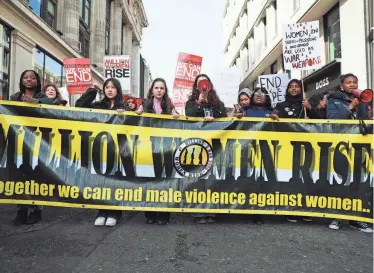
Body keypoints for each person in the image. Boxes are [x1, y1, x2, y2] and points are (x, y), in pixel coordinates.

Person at [75, 78, 125, 227]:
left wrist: (125, 113)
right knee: (100, 180)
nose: (109, 90)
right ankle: (102, 211)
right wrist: (92, 91)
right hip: (99, 149)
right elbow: (79, 106)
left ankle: (115, 212)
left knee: (114, 180)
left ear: (118, 90)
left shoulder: (124, 106)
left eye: (113, 87)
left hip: (117, 150)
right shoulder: (98, 105)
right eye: (106, 87)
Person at [327, 73, 372, 233]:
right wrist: (351, 107)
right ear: (342, 86)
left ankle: (355, 219)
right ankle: (336, 216)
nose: (352, 85)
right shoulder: (334, 100)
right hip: (341, 146)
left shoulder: (363, 99)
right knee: (341, 181)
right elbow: (332, 119)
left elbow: (365, 121)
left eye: (355, 82)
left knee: (357, 182)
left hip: (359, 146)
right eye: (348, 82)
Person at [10, 70, 54, 225]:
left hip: (37, 142)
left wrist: (36, 104)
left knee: (35, 176)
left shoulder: (43, 98)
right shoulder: (15, 97)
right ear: (22, 80)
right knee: (20, 176)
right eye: (26, 77)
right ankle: (21, 210)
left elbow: (51, 107)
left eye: (32, 77)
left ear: (37, 81)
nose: (29, 80)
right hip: (19, 140)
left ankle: (36, 210)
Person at [136, 78, 179, 225]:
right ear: (152, 90)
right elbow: (138, 112)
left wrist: (175, 114)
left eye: (162, 88)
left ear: (165, 90)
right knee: (150, 179)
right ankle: (150, 214)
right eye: (156, 88)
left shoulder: (170, 104)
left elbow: (176, 114)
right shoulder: (145, 103)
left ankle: (164, 215)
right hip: (149, 146)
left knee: (164, 179)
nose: (159, 90)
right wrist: (139, 111)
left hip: (165, 146)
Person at [185, 74, 227, 224]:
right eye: (199, 83)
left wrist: (213, 117)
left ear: (209, 85)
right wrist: (198, 103)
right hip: (198, 144)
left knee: (213, 177)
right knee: (198, 177)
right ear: (196, 86)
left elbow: (224, 116)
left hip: (215, 145)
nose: (203, 86)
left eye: (205, 83)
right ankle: (198, 212)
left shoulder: (218, 103)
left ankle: (212, 211)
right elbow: (189, 115)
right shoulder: (191, 102)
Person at [269, 79, 313, 223]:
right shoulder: (281, 105)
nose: (294, 89)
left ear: (301, 89)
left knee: (305, 174)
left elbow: (322, 120)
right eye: (291, 87)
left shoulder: (305, 104)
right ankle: (291, 209)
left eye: (296, 86)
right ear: (287, 90)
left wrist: (310, 109)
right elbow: (274, 114)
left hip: (306, 145)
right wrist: (274, 116)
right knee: (292, 175)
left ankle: (306, 208)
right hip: (288, 147)